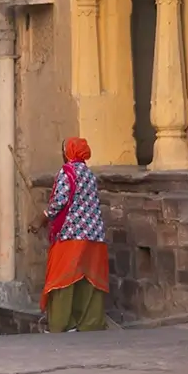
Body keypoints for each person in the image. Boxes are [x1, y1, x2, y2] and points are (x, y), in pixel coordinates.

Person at [38, 137, 109, 332]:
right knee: (88, 279)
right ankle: (89, 323)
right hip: (94, 235)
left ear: (69, 152)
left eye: (64, 149)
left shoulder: (67, 172)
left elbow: (59, 201)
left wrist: (41, 218)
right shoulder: (89, 174)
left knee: (63, 278)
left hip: (71, 234)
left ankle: (61, 323)